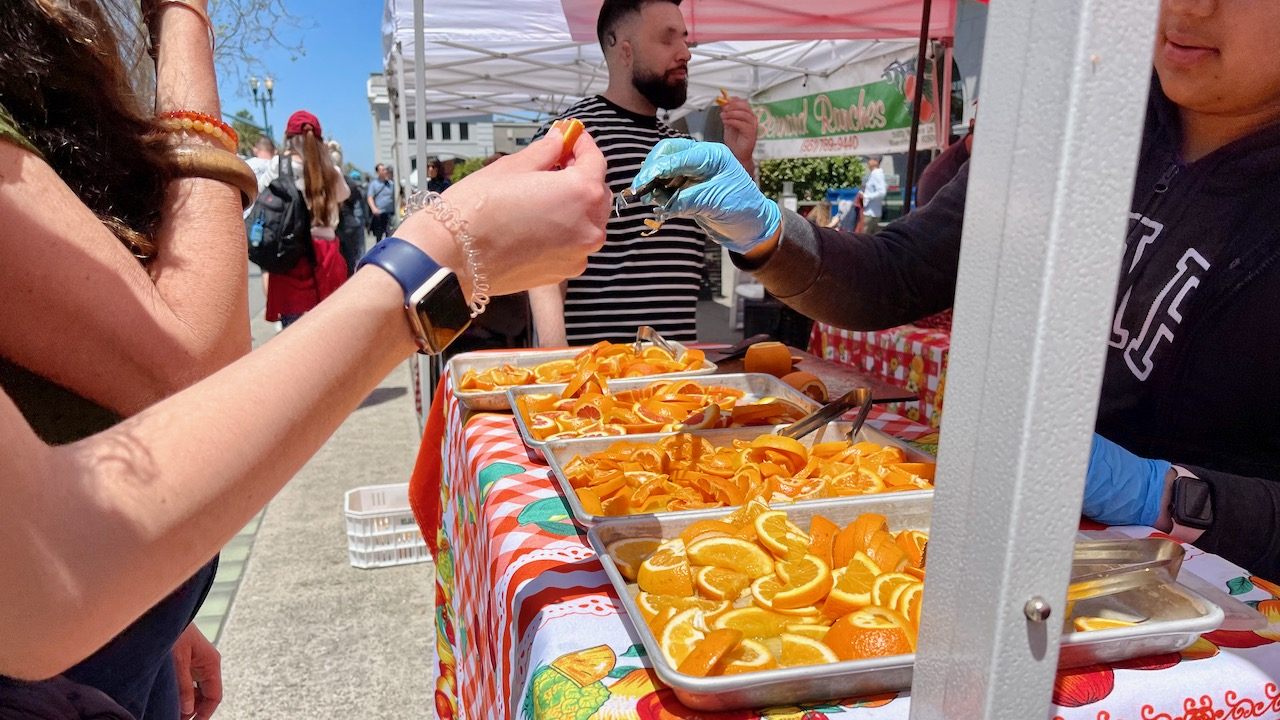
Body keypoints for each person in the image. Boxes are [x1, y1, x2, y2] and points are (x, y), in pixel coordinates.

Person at [630, 0, 1280, 580]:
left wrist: (1164, 494)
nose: (1190, 7)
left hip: (1223, 604)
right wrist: (766, 229)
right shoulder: (1083, 120)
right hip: (1025, 552)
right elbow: (896, 274)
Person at [1, 107, 608, 711]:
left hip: (131, 618)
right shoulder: (329, 171)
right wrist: (442, 252)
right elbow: (198, 374)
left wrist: (159, 600)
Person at [1, 0, 252, 716]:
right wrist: (184, 18)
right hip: (54, 668)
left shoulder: (41, 58)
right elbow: (195, 373)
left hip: (119, 622)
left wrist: (161, 603)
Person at [528, 0, 758, 346]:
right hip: (599, 380)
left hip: (677, 381)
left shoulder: (684, 149)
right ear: (625, 50)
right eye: (668, 40)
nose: (685, 53)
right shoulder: (570, 138)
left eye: (685, 40)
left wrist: (742, 164)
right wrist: (555, 364)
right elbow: (543, 265)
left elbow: (743, 242)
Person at [262, 111, 350, 328]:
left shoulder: (278, 166)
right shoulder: (331, 170)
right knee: (330, 329)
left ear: (288, 138)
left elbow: (260, 194)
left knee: (297, 335)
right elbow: (343, 195)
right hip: (326, 255)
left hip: (291, 256)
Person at [329, 141, 369, 276]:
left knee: (344, 263)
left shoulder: (327, 181)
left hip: (338, 227)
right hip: (346, 226)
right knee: (350, 262)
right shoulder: (348, 182)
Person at [367, 163, 396, 244]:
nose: (385, 171)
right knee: (379, 236)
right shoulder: (374, 184)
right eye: (382, 170)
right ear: (378, 172)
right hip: (379, 214)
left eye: (385, 169)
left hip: (389, 214)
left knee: (389, 234)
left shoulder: (391, 184)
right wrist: (373, 208)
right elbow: (370, 197)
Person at [859, 156, 887, 233]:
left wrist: (866, 196)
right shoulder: (874, 174)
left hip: (871, 214)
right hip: (871, 212)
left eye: (870, 160)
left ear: (876, 162)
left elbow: (882, 192)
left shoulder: (877, 174)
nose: (868, 162)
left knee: (864, 239)